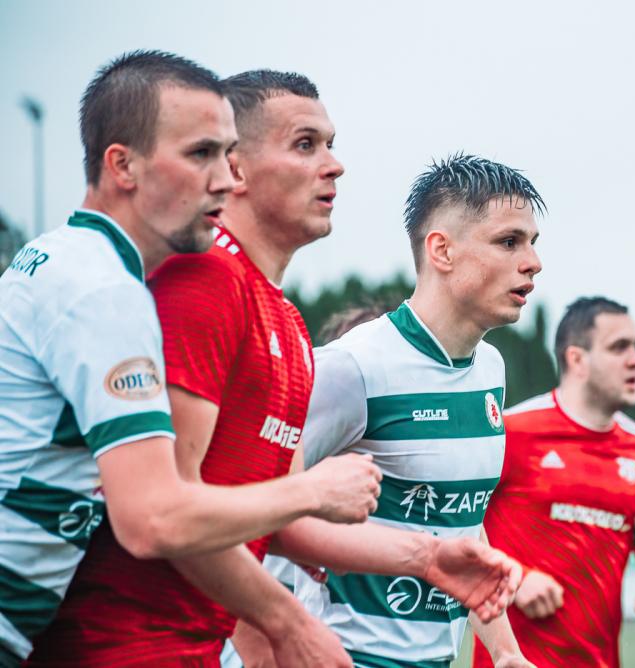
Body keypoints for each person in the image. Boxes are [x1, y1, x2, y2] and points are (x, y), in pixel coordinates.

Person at [29, 73, 519, 668]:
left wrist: (428, 558)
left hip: (191, 648)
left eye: (331, 144)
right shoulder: (202, 283)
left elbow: (279, 522)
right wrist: (287, 624)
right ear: (235, 169)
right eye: (305, 144)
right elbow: (165, 512)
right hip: (116, 646)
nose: (334, 165)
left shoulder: (284, 322)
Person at [0, 51, 368, 667]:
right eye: (201, 155)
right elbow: (154, 518)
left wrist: (427, 557)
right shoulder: (106, 290)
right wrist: (307, 495)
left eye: (225, 155)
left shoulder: (65, 258)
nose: (223, 179)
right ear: (122, 165)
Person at [235, 154, 545, 668]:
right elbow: (247, 508)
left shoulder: (491, 369)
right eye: (509, 242)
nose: (533, 261)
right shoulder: (352, 368)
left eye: (533, 243)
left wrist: (505, 651)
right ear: (441, 250)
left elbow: (459, 520)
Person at [472, 297, 635, 668]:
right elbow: (456, 529)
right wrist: (515, 578)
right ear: (577, 359)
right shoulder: (511, 433)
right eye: (619, 347)